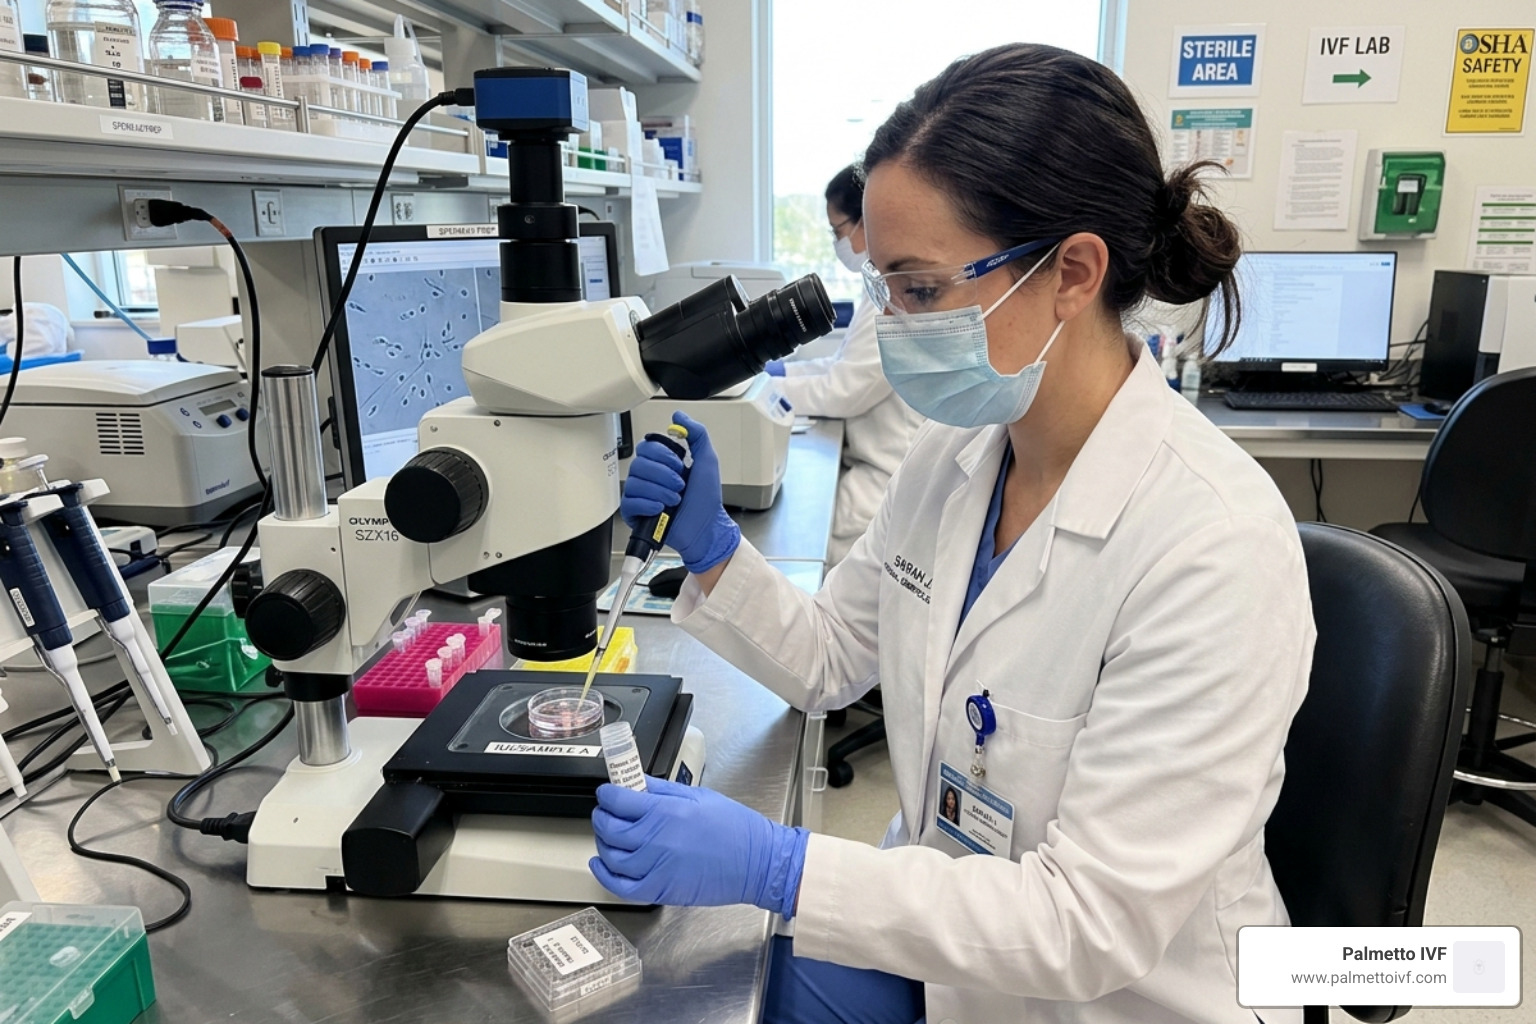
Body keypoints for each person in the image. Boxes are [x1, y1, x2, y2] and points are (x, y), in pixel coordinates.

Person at [592, 43, 1313, 1024]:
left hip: (1127, 999)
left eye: (920, 289)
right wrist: (716, 551)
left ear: (1072, 272)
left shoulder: (1215, 546)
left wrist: (781, 863)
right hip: (955, 947)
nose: (891, 321)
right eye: (885, 285)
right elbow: (830, 660)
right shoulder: (956, 454)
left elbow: (1084, 924)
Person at [764, 166, 924, 564]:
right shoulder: (881, 286)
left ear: (867, 222)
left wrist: (764, 390)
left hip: (886, 474)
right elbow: (844, 366)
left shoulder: (893, 290)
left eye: (838, 231)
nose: (838, 242)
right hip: (878, 463)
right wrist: (782, 372)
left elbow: (844, 389)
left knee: (809, 542)